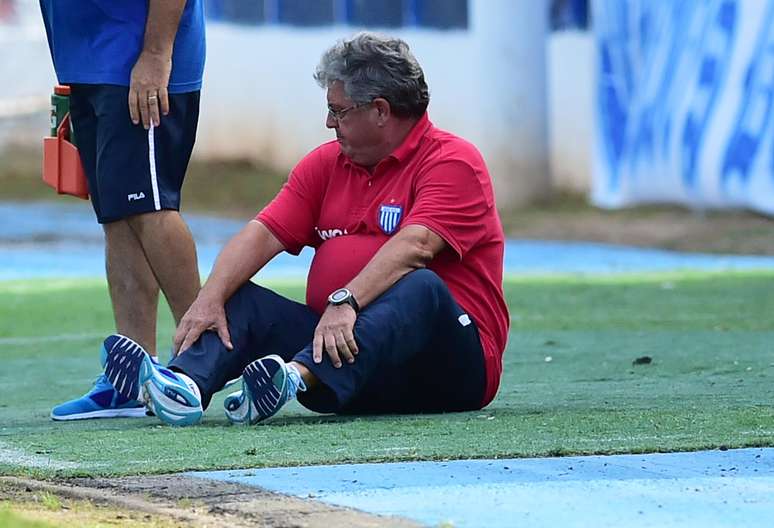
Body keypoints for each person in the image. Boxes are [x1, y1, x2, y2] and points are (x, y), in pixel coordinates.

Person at [101, 32, 510, 426]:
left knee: (422, 286)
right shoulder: (326, 163)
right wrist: (209, 297)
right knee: (237, 294)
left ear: (381, 111)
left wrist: (345, 301)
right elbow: (262, 233)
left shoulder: (453, 161)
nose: (329, 122)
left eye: (339, 110)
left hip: (448, 370)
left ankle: (293, 378)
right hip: (352, 360)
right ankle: (183, 384)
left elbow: (415, 245)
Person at [40, 0, 206, 420]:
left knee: (149, 207)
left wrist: (155, 54)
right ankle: (130, 377)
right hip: (87, 62)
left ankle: (205, 359)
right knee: (117, 216)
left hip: (136, 60)